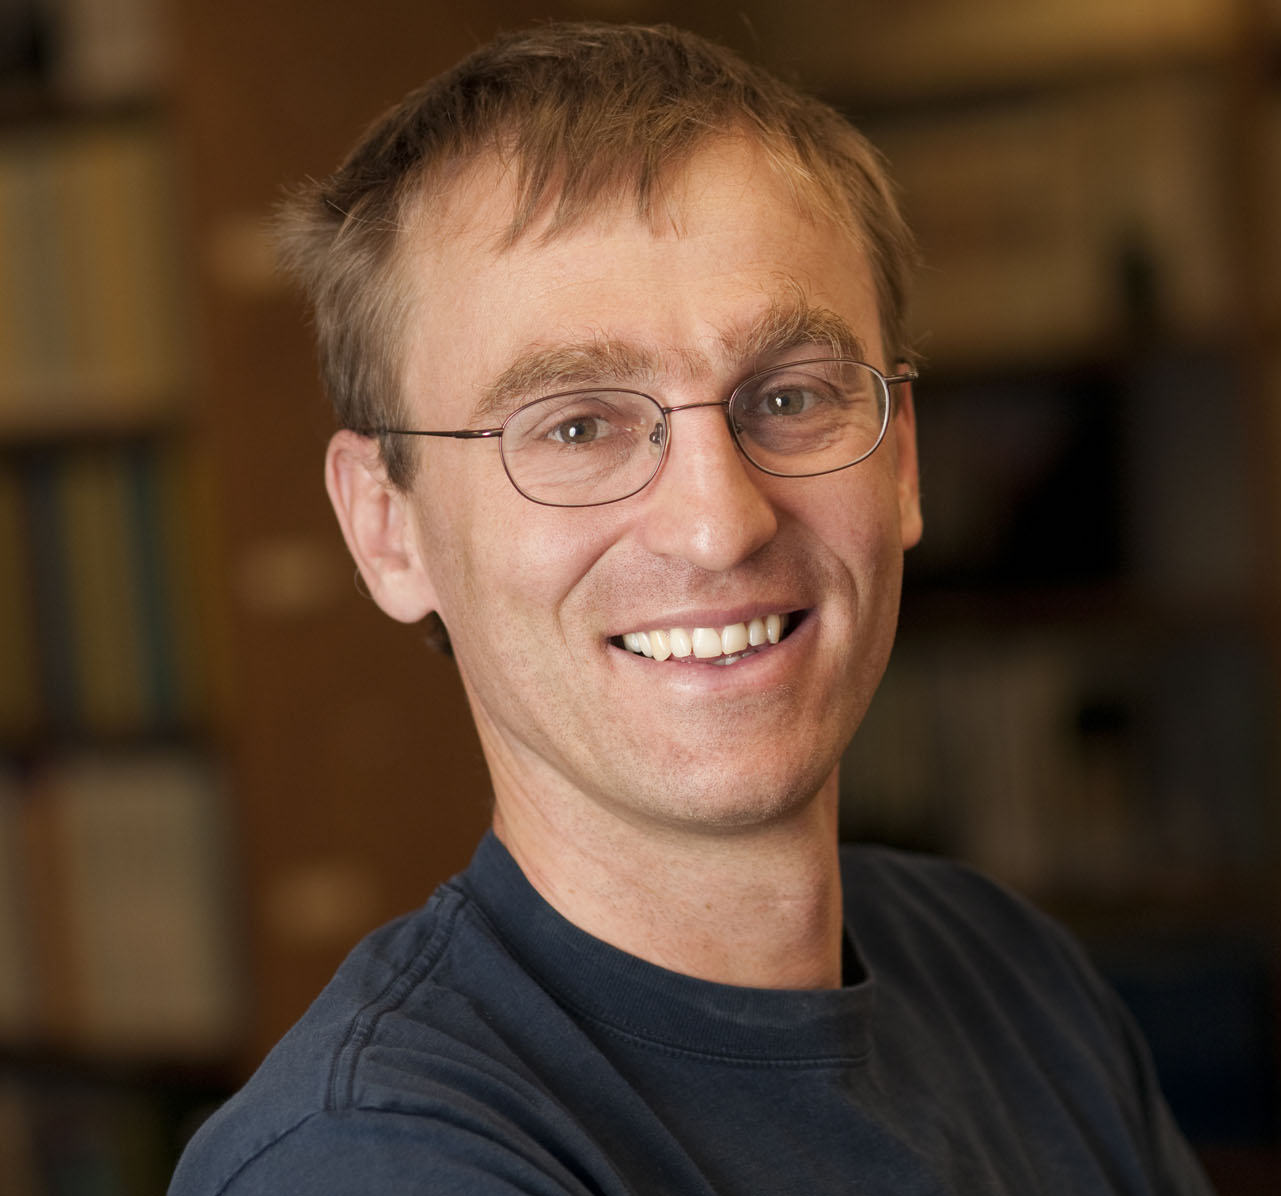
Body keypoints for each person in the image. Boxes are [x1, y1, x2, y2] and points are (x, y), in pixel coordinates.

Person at [170, 21, 1212, 1195]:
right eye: (574, 425)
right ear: (385, 526)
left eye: (789, 395)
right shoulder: (372, 1157)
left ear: (902, 461)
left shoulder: (1011, 976)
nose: (720, 524)